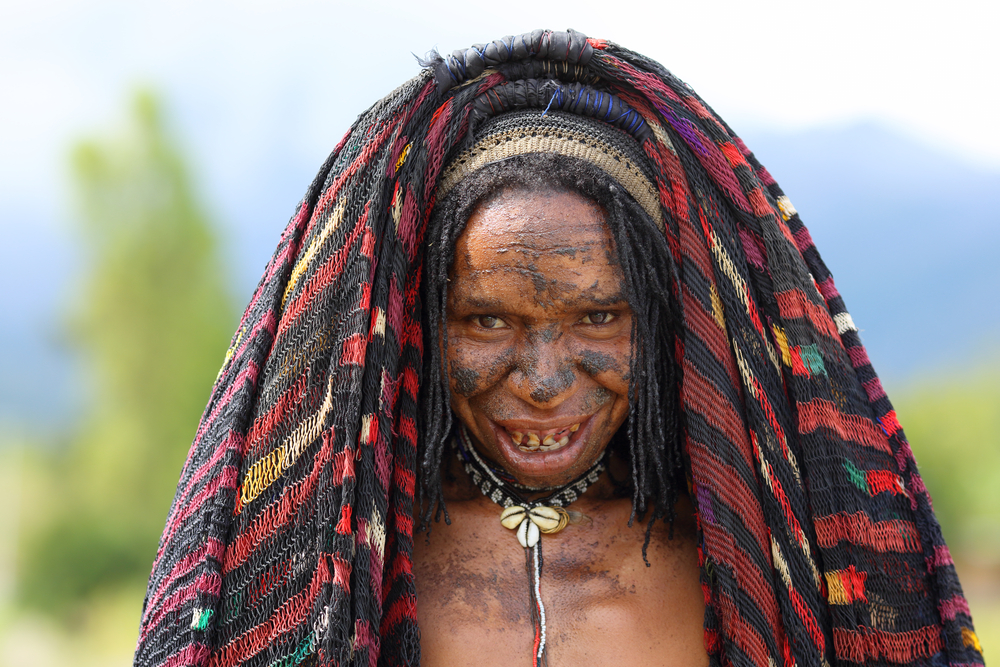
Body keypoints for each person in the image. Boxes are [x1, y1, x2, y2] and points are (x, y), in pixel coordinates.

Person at [133, 29, 983, 667]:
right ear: (424, 319)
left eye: (599, 319)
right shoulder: (332, 564)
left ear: (667, 321)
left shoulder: (757, 558)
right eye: (487, 322)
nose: (542, 380)